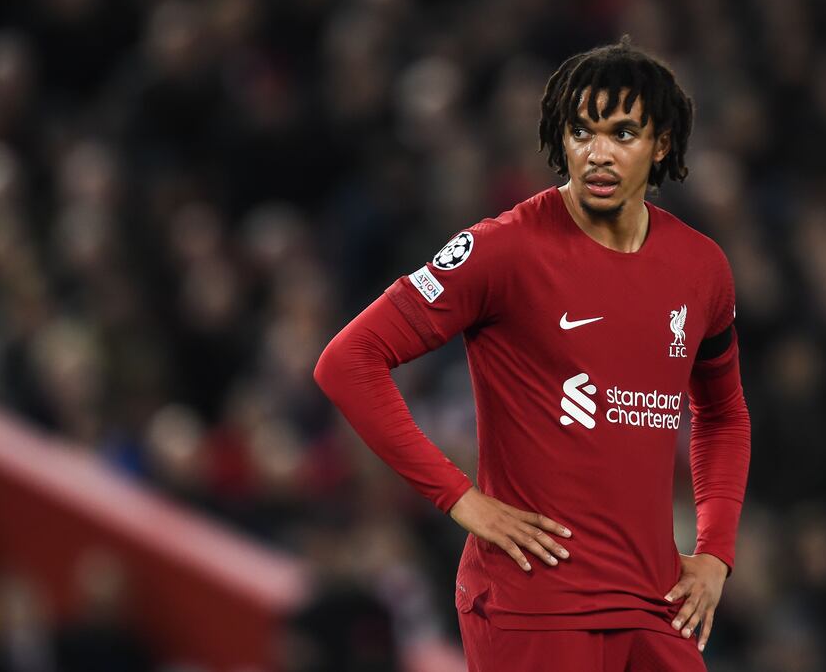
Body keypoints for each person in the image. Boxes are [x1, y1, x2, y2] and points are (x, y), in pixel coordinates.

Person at [313, 36, 750, 672]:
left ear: (661, 145)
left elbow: (723, 414)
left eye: (623, 133)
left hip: (652, 600)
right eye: (581, 131)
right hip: (534, 602)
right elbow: (348, 361)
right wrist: (459, 498)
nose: (598, 153)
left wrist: (715, 551)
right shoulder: (503, 250)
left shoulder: (702, 267)